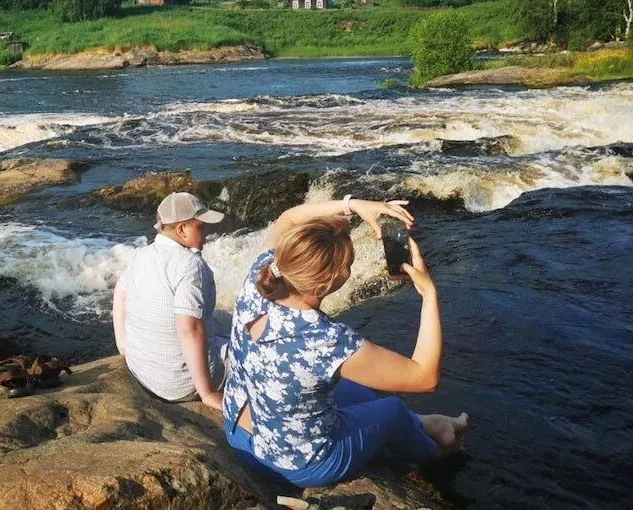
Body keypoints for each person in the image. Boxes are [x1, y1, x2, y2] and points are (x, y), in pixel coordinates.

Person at [222, 195, 468, 488]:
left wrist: (353, 206)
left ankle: (428, 423)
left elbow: (288, 217)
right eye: (347, 266)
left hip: (239, 432)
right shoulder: (324, 339)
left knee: (359, 391)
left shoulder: (262, 273)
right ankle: (438, 450)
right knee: (391, 409)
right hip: (295, 463)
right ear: (326, 285)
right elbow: (424, 377)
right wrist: (428, 292)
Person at [112, 192, 229, 410]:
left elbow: (120, 291)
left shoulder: (142, 255)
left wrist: (124, 347)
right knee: (251, 350)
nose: (206, 232)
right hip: (180, 386)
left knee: (223, 318)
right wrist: (207, 393)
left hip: (142, 372)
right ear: (182, 229)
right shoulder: (191, 266)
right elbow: (189, 328)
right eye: (200, 227)